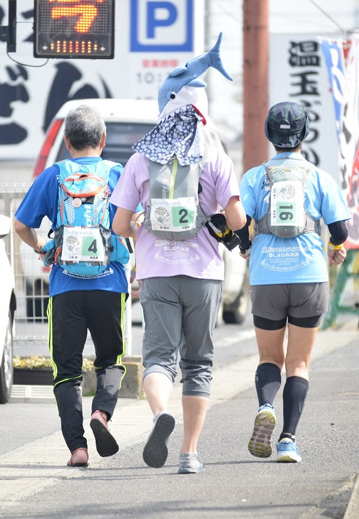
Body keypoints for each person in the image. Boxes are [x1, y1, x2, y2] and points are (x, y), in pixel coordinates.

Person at [111, 35, 245, 475]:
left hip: (155, 274)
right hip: (204, 274)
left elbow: (118, 225)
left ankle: (158, 415)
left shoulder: (140, 158)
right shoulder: (213, 155)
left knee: (158, 359)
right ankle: (188, 454)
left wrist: (141, 225)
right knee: (198, 363)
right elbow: (238, 219)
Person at [235, 102, 351, 463]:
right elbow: (340, 229)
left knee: (269, 356)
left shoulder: (254, 177)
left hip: (267, 276)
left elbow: (238, 217)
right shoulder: (319, 177)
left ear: (269, 135)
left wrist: (245, 244)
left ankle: (266, 405)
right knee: (298, 364)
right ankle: (287, 440)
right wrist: (336, 247)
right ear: (304, 136)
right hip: (309, 277)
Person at [13, 105, 129, 468]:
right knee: (111, 360)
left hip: (66, 286)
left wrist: (42, 248)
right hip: (110, 284)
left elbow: (20, 225)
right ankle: (102, 415)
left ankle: (77, 448)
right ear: (103, 140)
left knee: (66, 369)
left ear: (66, 142)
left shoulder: (53, 176)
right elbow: (132, 224)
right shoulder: (116, 174)